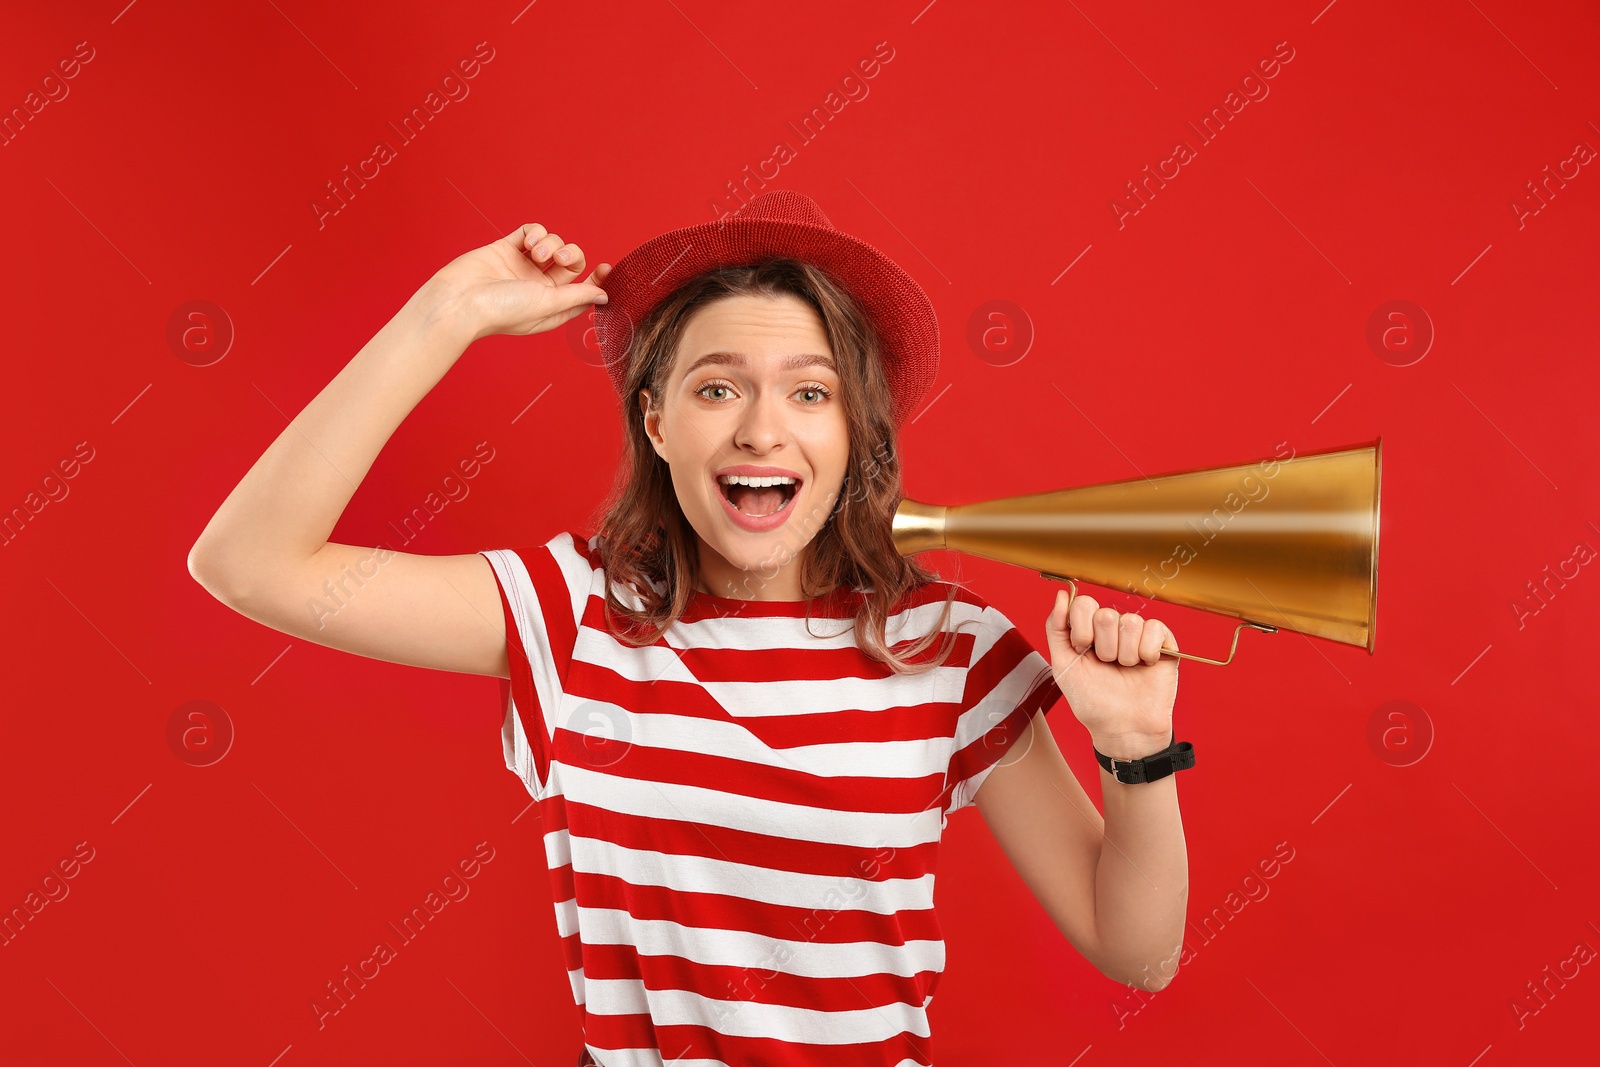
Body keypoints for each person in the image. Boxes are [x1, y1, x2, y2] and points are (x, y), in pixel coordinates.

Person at [188, 190, 1189, 1065]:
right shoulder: (569, 613)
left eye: (810, 390)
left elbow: (1136, 952)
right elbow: (248, 564)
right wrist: (443, 314)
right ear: (658, 421)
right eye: (718, 386)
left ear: (855, 437)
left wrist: (1133, 752)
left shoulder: (947, 646)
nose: (761, 426)